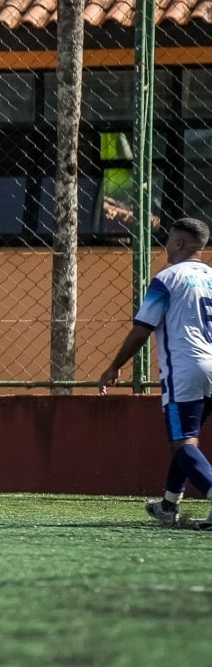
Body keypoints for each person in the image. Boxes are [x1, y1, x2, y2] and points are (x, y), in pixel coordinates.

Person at [99, 216, 212, 531]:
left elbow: (141, 330)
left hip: (186, 369)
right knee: (186, 440)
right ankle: (168, 506)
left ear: (179, 243)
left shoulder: (168, 279)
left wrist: (114, 366)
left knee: (182, 443)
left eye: (168, 241)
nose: (166, 247)